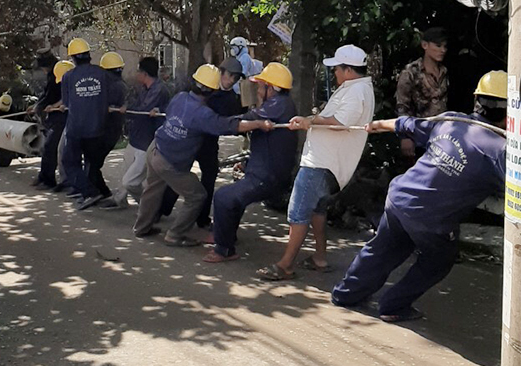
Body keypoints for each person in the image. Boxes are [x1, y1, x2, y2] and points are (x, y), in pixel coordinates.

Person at [331, 71, 507, 322]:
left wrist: (377, 125)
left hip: (400, 198)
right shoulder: (501, 152)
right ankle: (393, 305)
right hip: (433, 219)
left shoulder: (451, 121)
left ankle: (345, 295)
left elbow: (405, 124)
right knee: (440, 259)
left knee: (382, 249)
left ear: (476, 100)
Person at [258, 44, 375, 281]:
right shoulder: (356, 89)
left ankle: (285, 265)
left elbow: (339, 123)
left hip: (322, 163)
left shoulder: (356, 92)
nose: (335, 73)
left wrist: (309, 121)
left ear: (349, 70)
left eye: (337, 69)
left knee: (298, 212)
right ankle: (320, 257)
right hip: (327, 163)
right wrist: (309, 120)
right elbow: (333, 119)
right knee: (316, 210)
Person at [133, 64, 272, 246]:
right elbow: (230, 125)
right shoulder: (203, 114)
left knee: (152, 189)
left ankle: (141, 228)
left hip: (156, 148)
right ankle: (175, 234)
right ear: (212, 91)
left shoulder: (180, 97)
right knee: (197, 196)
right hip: (170, 161)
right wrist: (258, 124)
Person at [205, 62, 298, 263]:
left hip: (267, 176)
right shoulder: (281, 104)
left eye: (261, 86)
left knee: (223, 197)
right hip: (266, 171)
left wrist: (212, 122)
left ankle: (224, 250)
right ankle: (225, 236)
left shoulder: (277, 105)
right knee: (234, 199)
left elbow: (244, 120)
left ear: (271, 88)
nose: (258, 90)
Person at [159, 56, 243, 227]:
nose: (232, 80)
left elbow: (232, 119)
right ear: (221, 72)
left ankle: (202, 218)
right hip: (189, 138)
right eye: (231, 75)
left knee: (209, 177)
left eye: (236, 78)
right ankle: (163, 208)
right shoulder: (205, 83)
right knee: (179, 173)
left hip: (208, 142)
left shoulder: (231, 97)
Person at [111, 57, 170, 208]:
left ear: (144, 73)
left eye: (138, 71)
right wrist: (126, 107)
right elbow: (136, 105)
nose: (136, 74)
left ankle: (149, 206)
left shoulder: (159, 90)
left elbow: (142, 110)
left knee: (130, 181)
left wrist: (127, 110)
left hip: (147, 142)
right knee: (126, 173)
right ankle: (120, 200)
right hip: (136, 138)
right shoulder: (144, 88)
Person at [60, 38, 108, 209]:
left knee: (69, 162)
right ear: (88, 54)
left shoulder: (68, 76)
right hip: (98, 127)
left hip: (76, 128)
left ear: (73, 58)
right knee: (91, 162)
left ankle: (90, 192)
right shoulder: (102, 73)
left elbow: (66, 103)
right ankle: (98, 192)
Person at [395, 27, 448, 161]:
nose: (442, 50)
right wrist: (405, 137)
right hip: (418, 135)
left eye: (444, 46)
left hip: (442, 135)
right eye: (438, 46)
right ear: (425, 45)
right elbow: (402, 106)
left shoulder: (444, 71)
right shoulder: (411, 72)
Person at [89, 52, 128, 204]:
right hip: (112, 130)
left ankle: (102, 192)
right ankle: (99, 191)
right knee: (93, 162)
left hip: (106, 130)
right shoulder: (121, 85)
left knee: (93, 163)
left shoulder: (111, 87)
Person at [34, 60, 73, 189]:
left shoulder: (74, 82)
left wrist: (59, 106)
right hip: (58, 117)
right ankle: (46, 177)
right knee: (50, 147)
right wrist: (53, 106)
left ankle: (56, 181)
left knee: (55, 148)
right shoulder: (63, 81)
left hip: (66, 119)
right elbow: (64, 98)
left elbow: (70, 98)